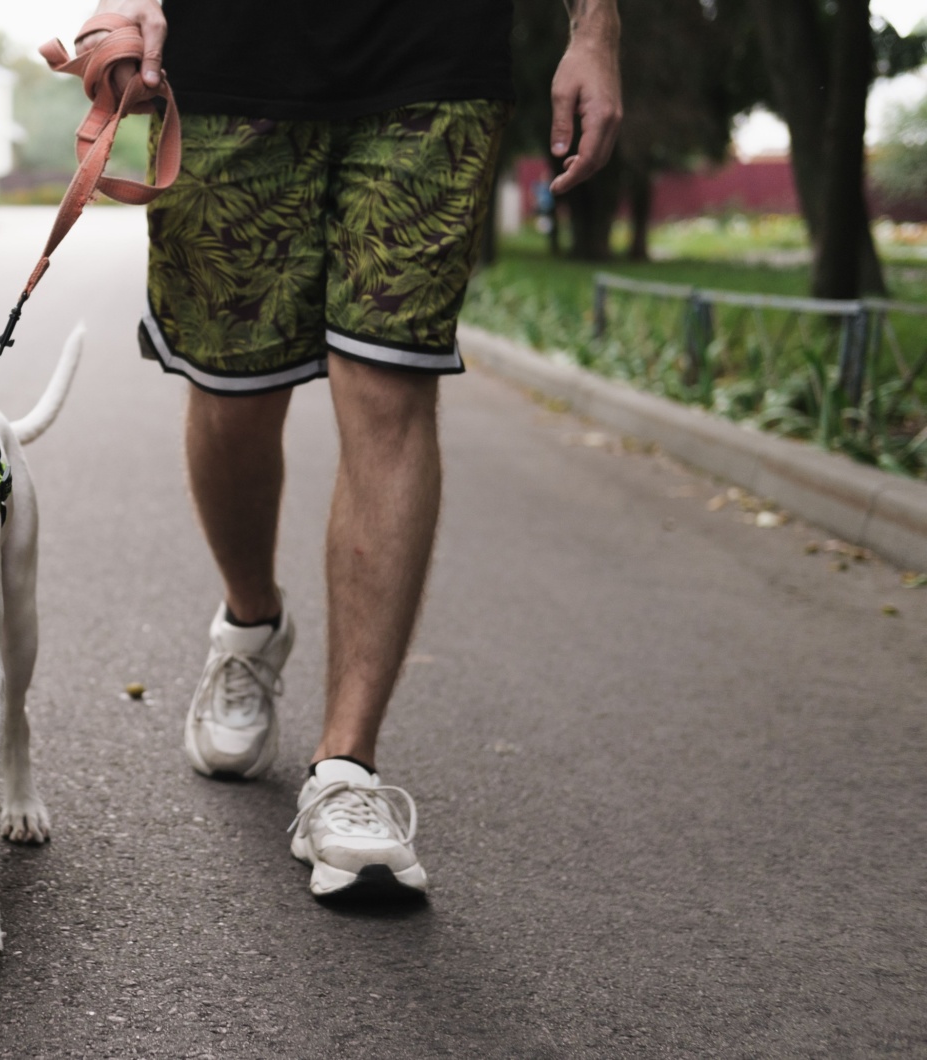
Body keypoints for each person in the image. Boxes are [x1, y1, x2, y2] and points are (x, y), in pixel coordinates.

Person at [78, 0, 622, 898]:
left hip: (435, 61)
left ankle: (346, 771)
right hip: (230, 59)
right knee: (234, 390)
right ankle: (251, 627)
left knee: (390, 386)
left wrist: (595, 30)